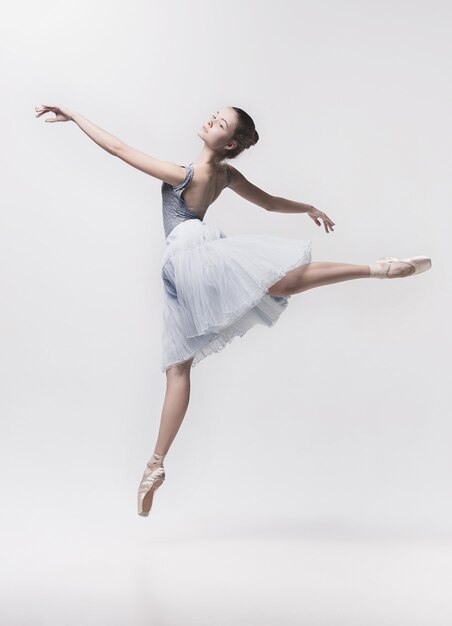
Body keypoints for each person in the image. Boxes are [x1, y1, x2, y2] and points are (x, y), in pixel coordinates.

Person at [35, 104, 432, 516]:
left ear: (228, 143)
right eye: (213, 115)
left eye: (219, 123)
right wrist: (308, 207)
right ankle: (376, 268)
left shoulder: (186, 174)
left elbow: (118, 148)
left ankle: (156, 462)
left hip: (186, 255)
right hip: (193, 257)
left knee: (184, 363)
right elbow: (272, 203)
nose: (209, 120)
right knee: (253, 303)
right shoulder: (225, 176)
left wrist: (76, 116)